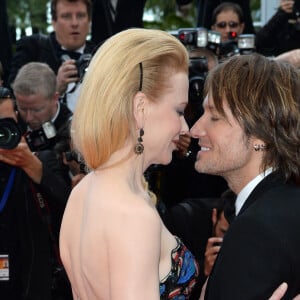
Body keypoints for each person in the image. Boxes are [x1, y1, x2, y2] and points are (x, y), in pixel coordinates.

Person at [59, 28, 200, 299]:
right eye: (179, 111)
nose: (185, 127)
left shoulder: (83, 191)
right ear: (140, 108)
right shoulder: (134, 217)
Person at [190, 53, 300, 299]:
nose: (195, 129)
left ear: (261, 136)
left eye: (215, 117)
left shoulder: (256, 231)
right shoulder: (285, 206)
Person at [0, 87, 72, 299]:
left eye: (6, 122)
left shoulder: (43, 160)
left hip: (31, 284)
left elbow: (69, 209)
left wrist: (34, 168)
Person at [8, 0, 95, 112]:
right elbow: (13, 99)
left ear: (89, 21)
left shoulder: (103, 54)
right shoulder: (32, 50)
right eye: (66, 16)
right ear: (54, 22)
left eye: (80, 16)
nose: (74, 23)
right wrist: (54, 88)